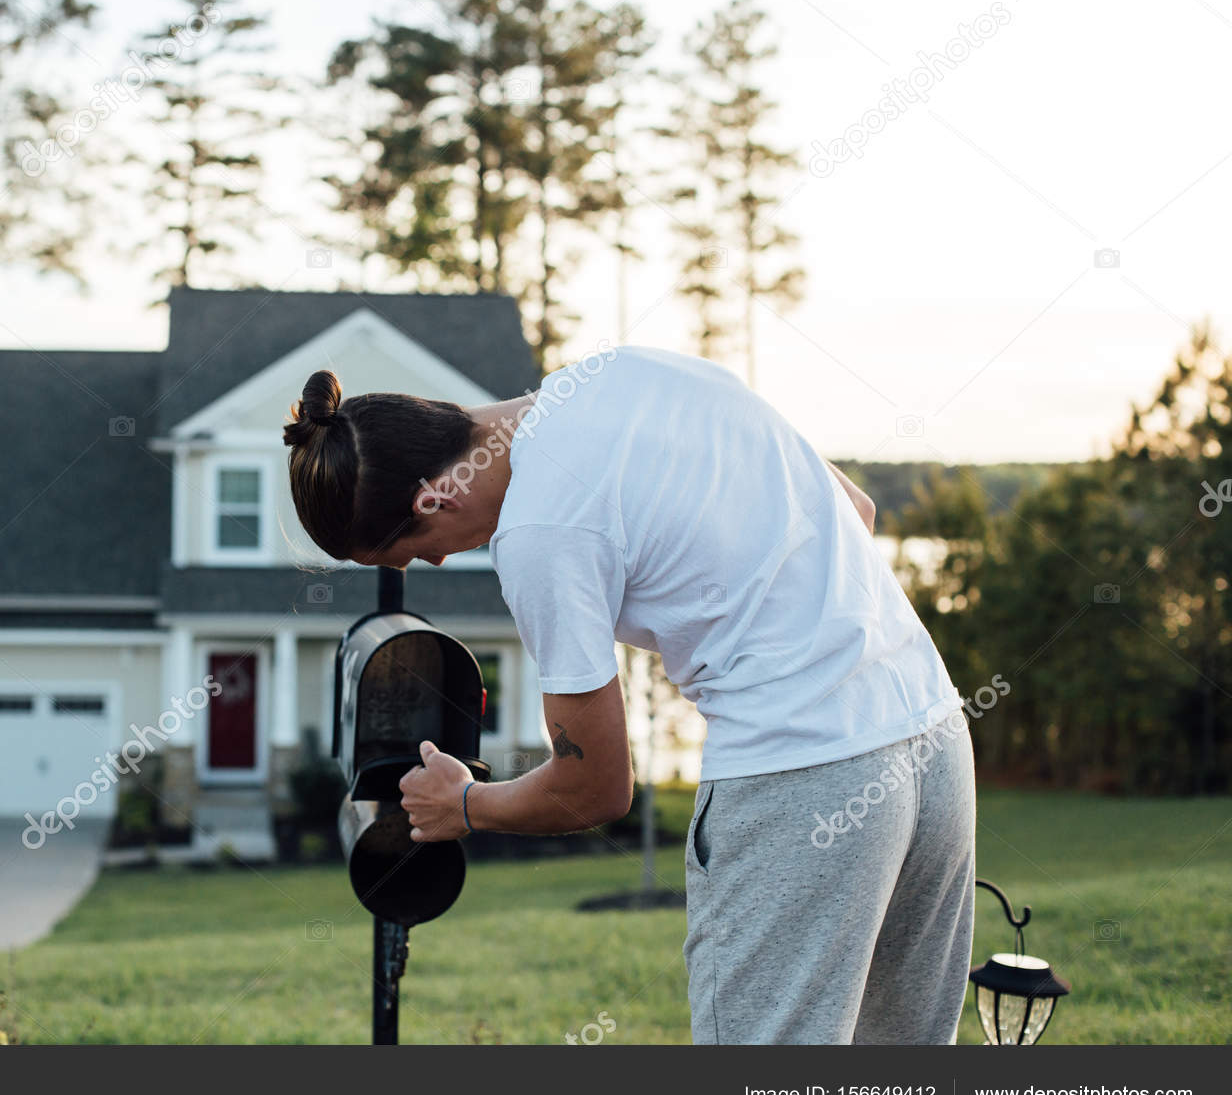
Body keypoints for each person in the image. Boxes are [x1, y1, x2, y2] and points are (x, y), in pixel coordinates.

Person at [281, 345, 975, 1045]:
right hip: (934, 732)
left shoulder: (538, 531)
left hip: (797, 774)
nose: (437, 561)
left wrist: (463, 803)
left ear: (434, 498)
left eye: (417, 549)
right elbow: (855, 507)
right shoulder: (630, 371)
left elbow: (597, 787)